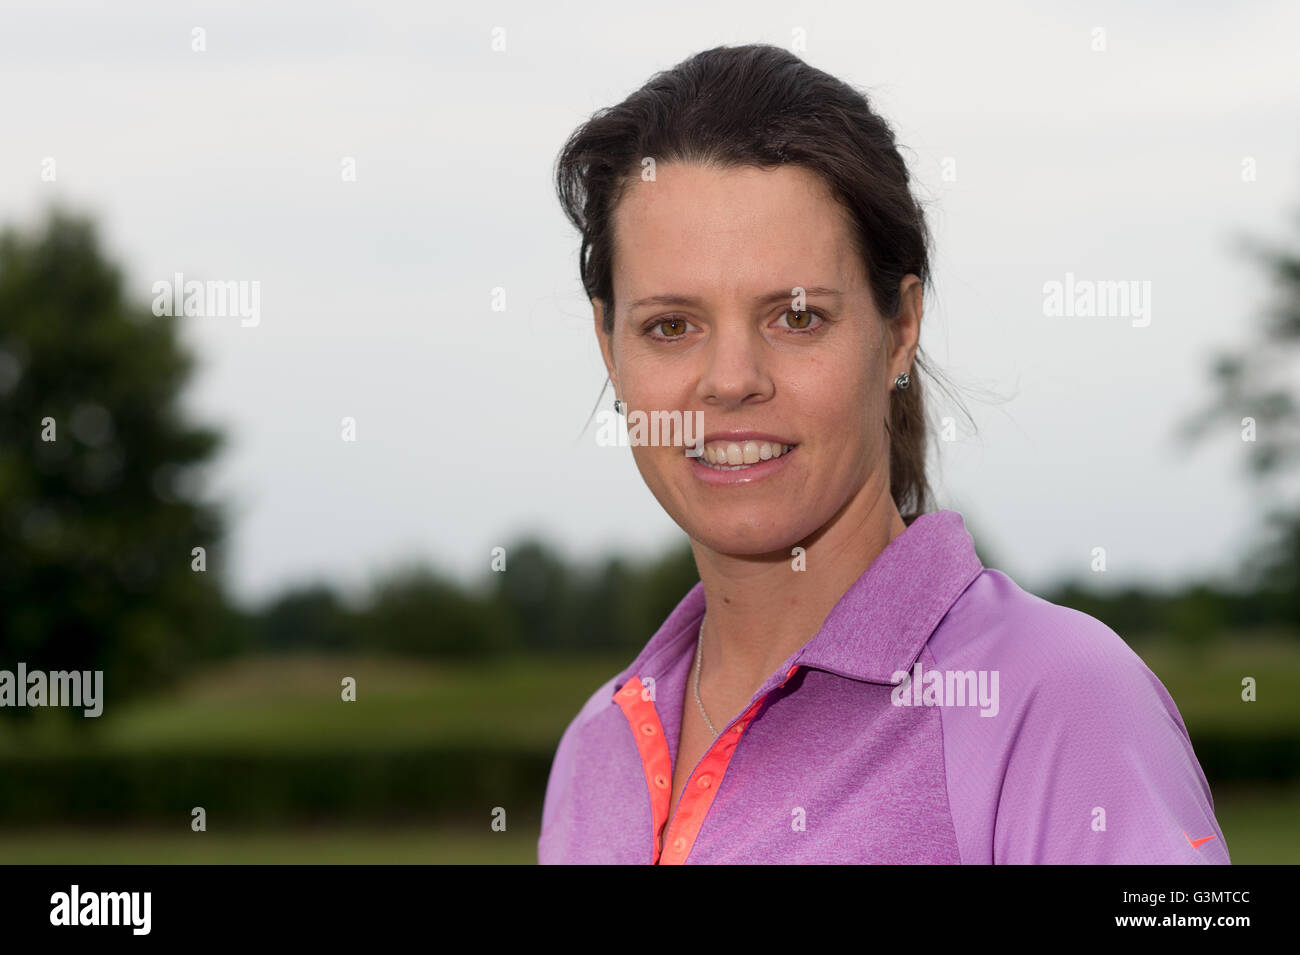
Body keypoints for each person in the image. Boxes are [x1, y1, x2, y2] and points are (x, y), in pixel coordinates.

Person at [538, 43, 1229, 864]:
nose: (730, 382)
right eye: (670, 326)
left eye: (796, 318)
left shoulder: (1059, 700)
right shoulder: (595, 745)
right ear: (607, 345)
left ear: (899, 328)